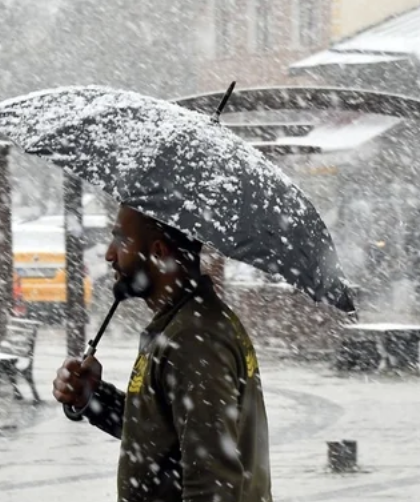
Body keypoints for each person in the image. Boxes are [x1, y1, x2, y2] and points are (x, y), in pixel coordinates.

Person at [52, 205, 272, 502]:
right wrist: (93, 398)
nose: (109, 253)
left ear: (157, 252)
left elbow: (211, 487)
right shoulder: (179, 326)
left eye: (122, 240)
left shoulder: (195, 340)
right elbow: (160, 437)